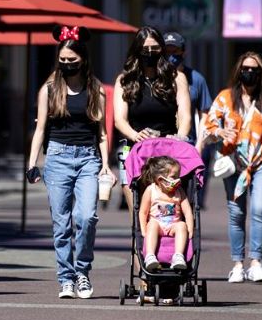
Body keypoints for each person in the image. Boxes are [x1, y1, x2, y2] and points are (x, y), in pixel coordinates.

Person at [27, 25, 115, 300]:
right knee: (61, 223)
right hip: (57, 157)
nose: (67, 65)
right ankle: (65, 279)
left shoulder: (96, 90)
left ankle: (82, 273)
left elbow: (101, 132)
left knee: (87, 217)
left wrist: (105, 164)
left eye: (72, 61)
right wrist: (32, 163)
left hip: (88, 158)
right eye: (63, 61)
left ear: (83, 60)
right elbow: (40, 129)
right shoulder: (50, 89)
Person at [205, 52, 262, 283]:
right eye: (246, 68)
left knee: (258, 209)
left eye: (255, 70)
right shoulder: (225, 98)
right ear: (238, 71)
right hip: (233, 164)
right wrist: (220, 132)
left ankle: (256, 262)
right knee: (237, 213)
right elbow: (209, 125)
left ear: (261, 74)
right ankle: (237, 264)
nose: (250, 73)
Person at [114, 26, 192, 213]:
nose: (150, 53)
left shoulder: (176, 78)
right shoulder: (125, 80)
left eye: (155, 48)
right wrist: (135, 135)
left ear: (162, 49)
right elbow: (119, 119)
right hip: (136, 145)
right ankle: (140, 233)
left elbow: (185, 115)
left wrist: (180, 136)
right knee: (139, 207)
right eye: (145, 49)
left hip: (168, 146)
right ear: (137, 50)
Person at [163, 31, 213, 210]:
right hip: (162, 142)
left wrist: (200, 144)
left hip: (188, 144)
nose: (171, 56)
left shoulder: (196, 80)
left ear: (183, 52)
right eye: (167, 51)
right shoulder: (157, 79)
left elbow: (205, 113)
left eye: (174, 51)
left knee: (188, 197)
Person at [138, 156, 194, 271]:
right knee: (152, 224)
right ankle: (150, 256)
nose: (177, 180)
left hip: (173, 225)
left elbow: (188, 212)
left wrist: (190, 229)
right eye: (174, 177)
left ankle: (178, 256)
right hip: (157, 225)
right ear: (160, 179)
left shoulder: (179, 191)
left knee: (181, 225)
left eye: (178, 176)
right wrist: (144, 230)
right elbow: (143, 212)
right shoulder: (151, 190)